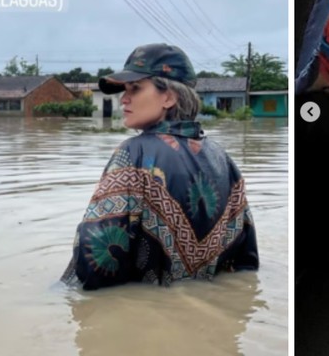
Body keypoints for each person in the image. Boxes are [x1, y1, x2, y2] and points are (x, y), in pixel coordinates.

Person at [61, 44, 258, 290]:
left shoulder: (132, 154)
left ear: (169, 97)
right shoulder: (223, 159)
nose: (124, 99)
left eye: (135, 88)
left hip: (140, 320)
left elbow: (95, 263)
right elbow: (246, 260)